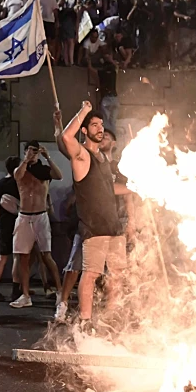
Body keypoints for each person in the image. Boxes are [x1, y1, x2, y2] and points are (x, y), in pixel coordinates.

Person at [59, 104, 131, 327]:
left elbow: (110, 190)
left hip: (113, 227)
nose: (100, 129)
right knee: (90, 274)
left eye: (101, 125)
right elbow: (65, 136)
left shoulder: (104, 160)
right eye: (94, 125)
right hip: (94, 228)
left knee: (117, 274)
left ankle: (111, 316)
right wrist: (82, 111)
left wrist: (140, 188)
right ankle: (85, 321)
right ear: (85, 130)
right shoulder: (82, 155)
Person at [10, 141, 64, 309]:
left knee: (46, 256)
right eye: (29, 151)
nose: (33, 154)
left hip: (41, 215)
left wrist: (48, 157)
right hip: (24, 216)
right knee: (23, 257)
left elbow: (59, 175)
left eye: (35, 151)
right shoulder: (21, 169)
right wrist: (26, 160)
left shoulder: (44, 171)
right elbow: (17, 176)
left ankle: (60, 292)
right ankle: (25, 295)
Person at [0, 156, 20, 302]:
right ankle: (15, 290)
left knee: (2, 257)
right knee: (17, 257)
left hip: (3, 222)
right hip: (19, 222)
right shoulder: (19, 183)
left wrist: (1, 219)